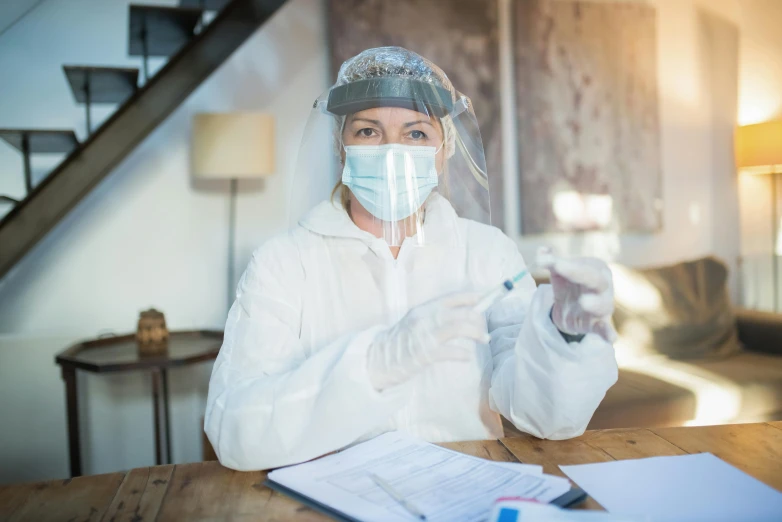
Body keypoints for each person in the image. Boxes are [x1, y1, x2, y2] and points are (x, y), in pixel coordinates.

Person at [204, 47, 618, 471]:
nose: (392, 151)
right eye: (368, 131)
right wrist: (375, 363)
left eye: (417, 133)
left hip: (466, 494)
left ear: (445, 150)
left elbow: (546, 419)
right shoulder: (283, 264)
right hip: (333, 500)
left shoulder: (487, 253)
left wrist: (564, 342)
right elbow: (236, 432)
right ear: (340, 146)